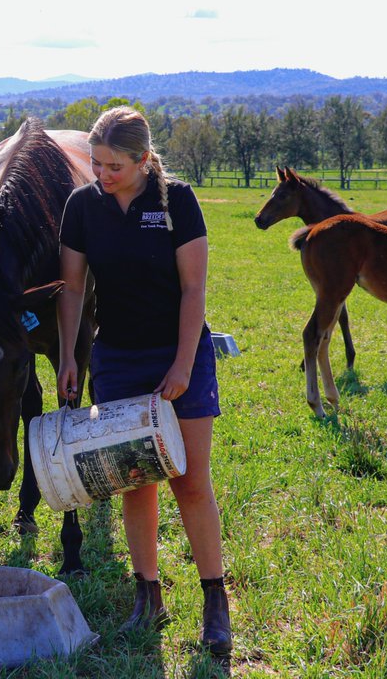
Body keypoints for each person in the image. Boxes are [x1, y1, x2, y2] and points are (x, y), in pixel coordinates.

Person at [56, 106, 232, 660]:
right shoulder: (83, 207)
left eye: (113, 166)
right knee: (135, 480)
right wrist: (69, 357)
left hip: (179, 354)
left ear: (143, 160)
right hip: (117, 358)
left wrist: (182, 364)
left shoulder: (176, 201)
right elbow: (71, 290)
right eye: (96, 163)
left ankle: (214, 601)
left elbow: (193, 290)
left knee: (191, 482)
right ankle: (147, 595)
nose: (101, 174)